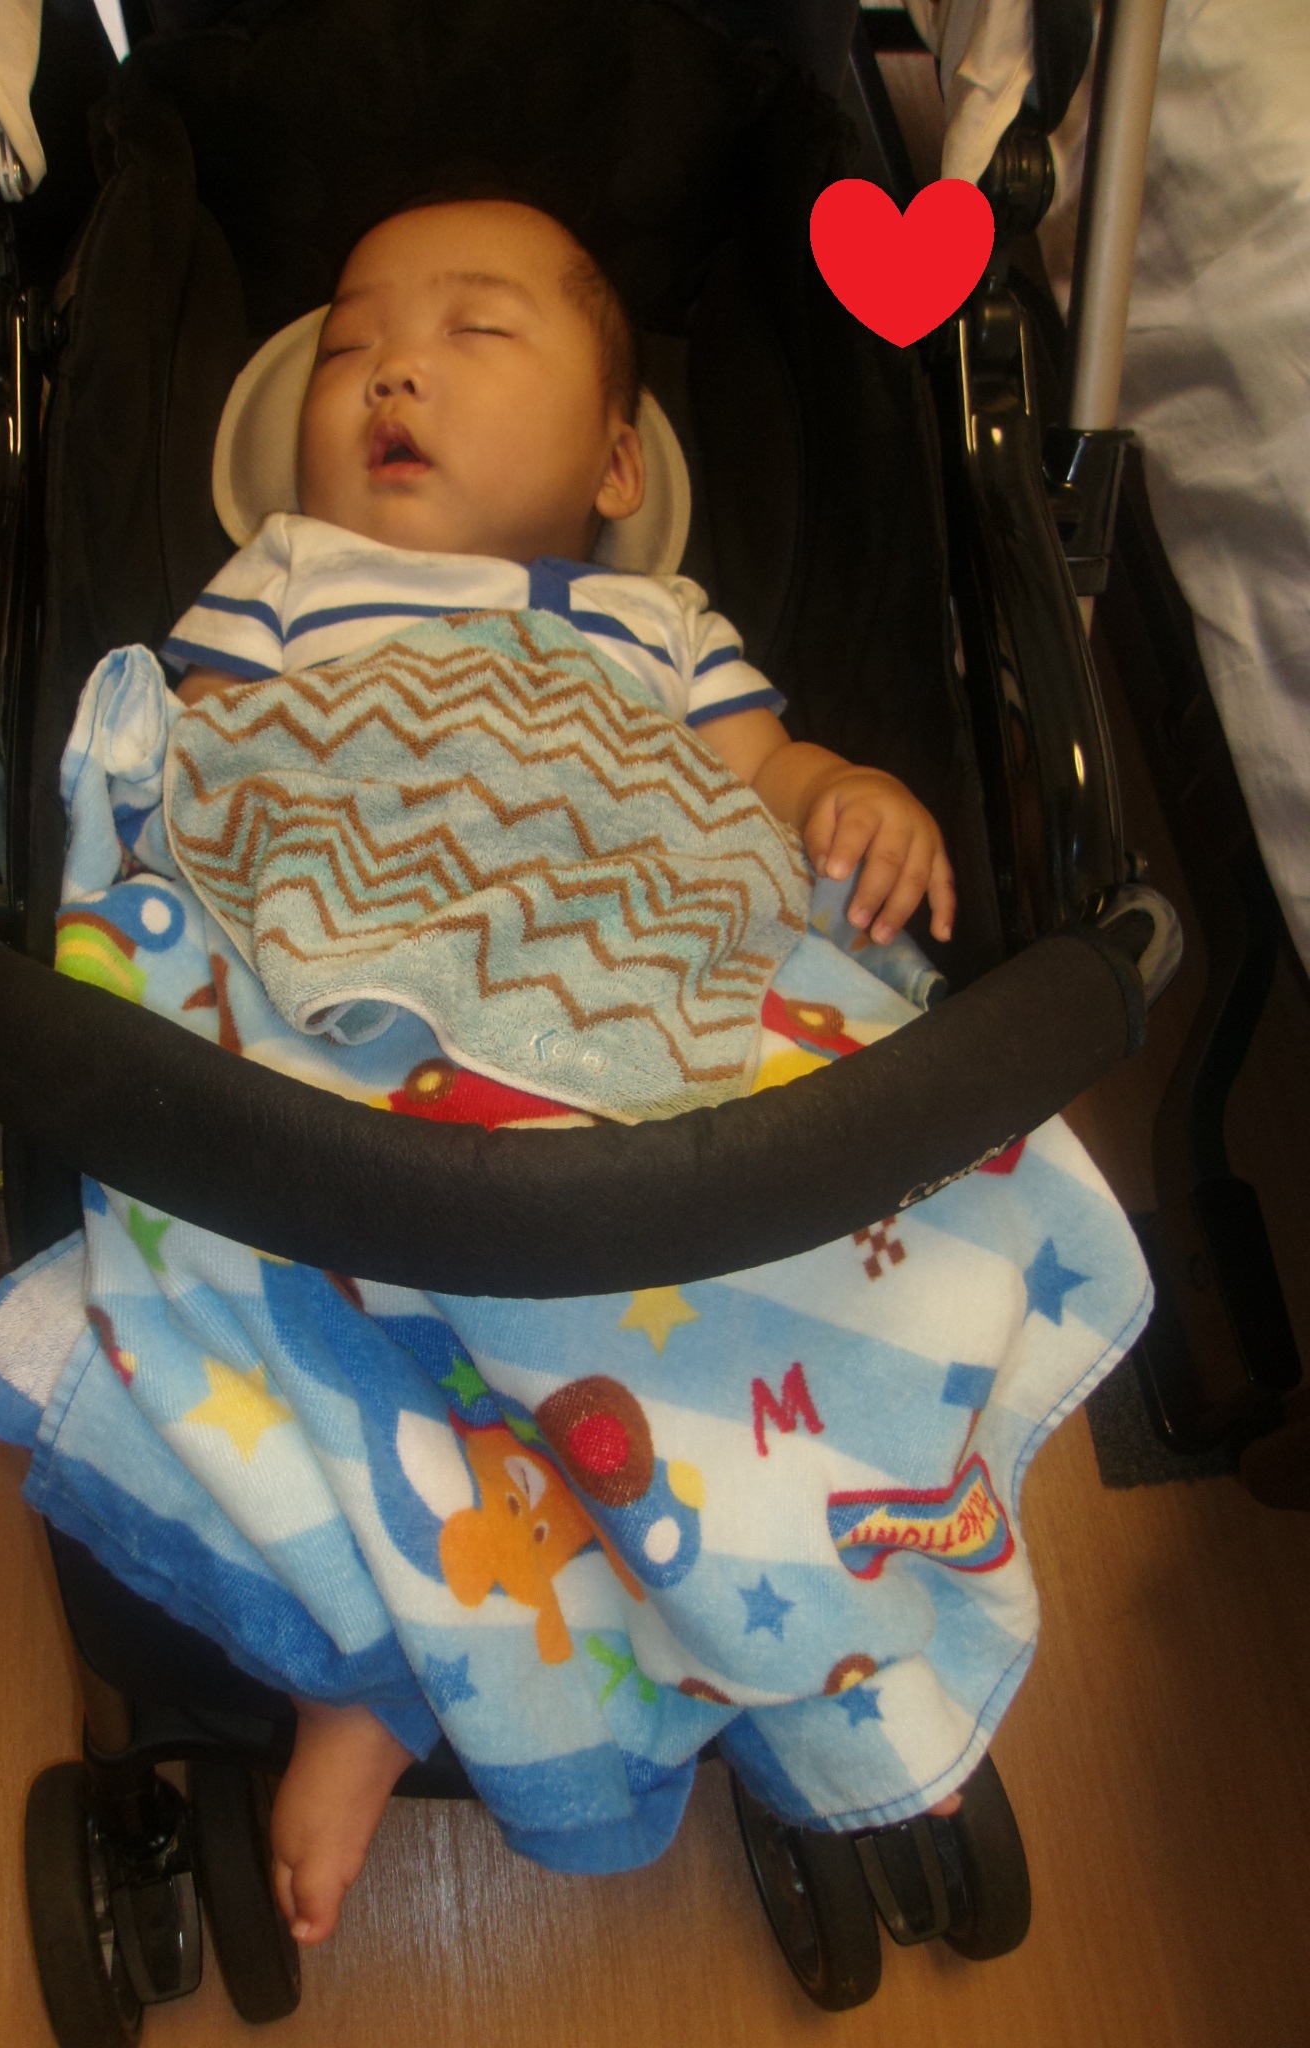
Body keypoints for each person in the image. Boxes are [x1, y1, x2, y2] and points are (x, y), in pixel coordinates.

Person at [162, 196, 959, 1944]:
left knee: (807, 1225)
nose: (392, 373)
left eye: (471, 333)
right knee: (311, 1259)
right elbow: (204, 770)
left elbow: (761, 776)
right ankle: (380, 1669)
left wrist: (848, 794)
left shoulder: (659, 623)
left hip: (634, 998)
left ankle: (798, 1621)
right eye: (350, 346)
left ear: (617, 462)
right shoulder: (285, 579)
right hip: (377, 995)